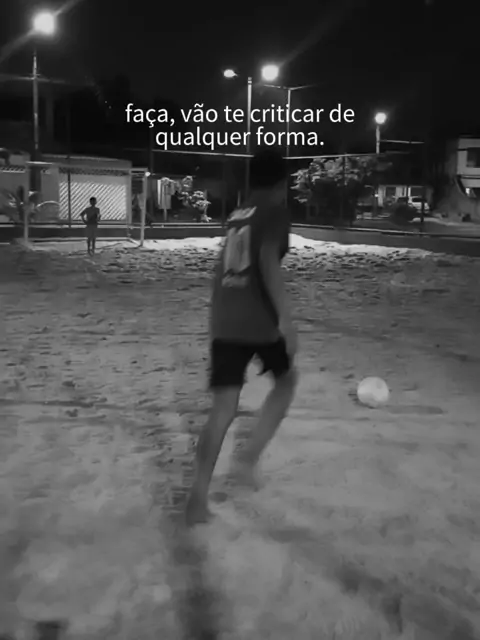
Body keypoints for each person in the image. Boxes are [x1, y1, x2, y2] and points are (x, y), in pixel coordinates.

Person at [185, 147, 298, 526]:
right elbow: (267, 262)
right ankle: (247, 460)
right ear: (282, 183)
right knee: (286, 381)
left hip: (224, 316)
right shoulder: (275, 211)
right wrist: (286, 319)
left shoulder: (239, 212)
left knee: (223, 409)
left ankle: (198, 497)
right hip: (257, 319)